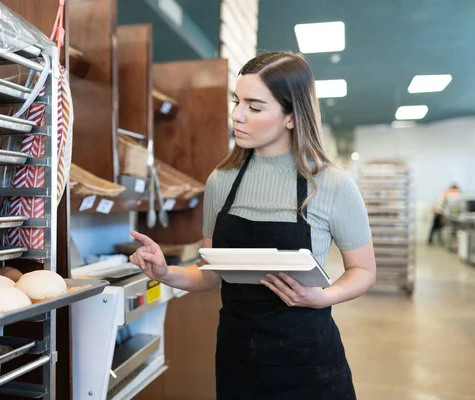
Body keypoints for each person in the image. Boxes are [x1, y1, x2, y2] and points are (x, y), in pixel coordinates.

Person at [129, 51, 376, 400]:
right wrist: (165, 272)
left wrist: (323, 297)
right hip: (237, 356)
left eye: (255, 107)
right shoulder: (221, 181)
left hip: (308, 362)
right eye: (236, 101)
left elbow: (363, 271)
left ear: (291, 116)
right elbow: (212, 273)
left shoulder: (331, 184)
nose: (237, 116)